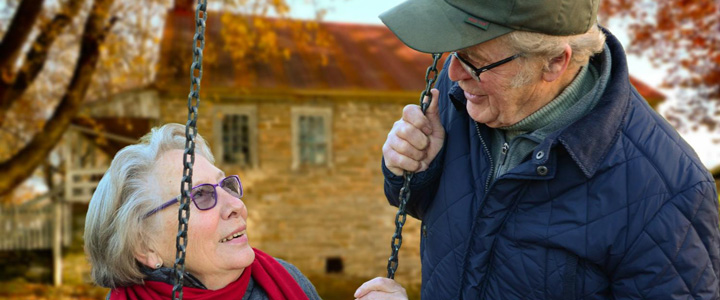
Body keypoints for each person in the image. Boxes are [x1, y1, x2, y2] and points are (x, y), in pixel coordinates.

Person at [358, 0, 720, 299]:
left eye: (474, 60)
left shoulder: (668, 193)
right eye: (453, 52)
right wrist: (414, 171)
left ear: (554, 63)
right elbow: (445, 212)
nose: (454, 73)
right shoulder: (466, 95)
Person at [84, 123, 321, 300]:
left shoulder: (287, 281)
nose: (236, 206)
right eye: (200, 195)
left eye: (225, 185)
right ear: (144, 246)